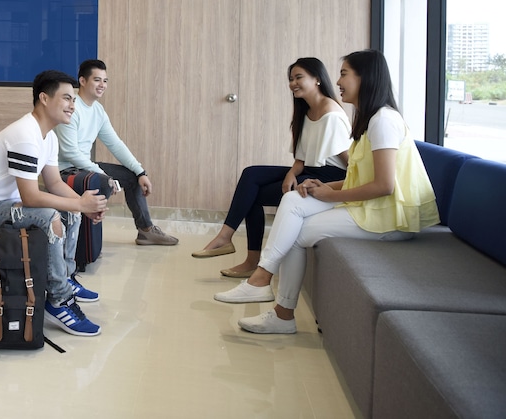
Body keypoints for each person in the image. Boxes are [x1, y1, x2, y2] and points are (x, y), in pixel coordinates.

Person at [213, 50, 439, 334]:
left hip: (392, 219)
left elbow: (384, 186)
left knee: (296, 230)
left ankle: (271, 295)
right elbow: (359, 177)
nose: (339, 81)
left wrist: (331, 195)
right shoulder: (370, 120)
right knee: (294, 199)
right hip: (376, 209)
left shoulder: (384, 120)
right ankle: (269, 292)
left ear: (365, 77)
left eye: (344, 74)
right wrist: (324, 186)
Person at [0, 70, 109, 337]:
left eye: (73, 100)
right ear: (44, 98)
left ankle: (66, 279)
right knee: (50, 216)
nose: (72, 106)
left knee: (71, 212)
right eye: (66, 98)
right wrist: (80, 204)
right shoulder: (25, 134)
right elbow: (30, 197)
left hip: (8, 202)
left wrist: (82, 205)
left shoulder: (49, 136)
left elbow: (54, 183)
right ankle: (59, 300)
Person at [192, 58, 351, 277]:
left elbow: (350, 163)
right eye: (291, 79)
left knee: (253, 196)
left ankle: (249, 260)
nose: (293, 83)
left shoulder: (331, 113)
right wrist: (291, 174)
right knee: (251, 174)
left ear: (317, 79)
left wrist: (338, 189)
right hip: (310, 170)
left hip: (330, 176)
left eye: (299, 77)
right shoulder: (306, 112)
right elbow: (301, 159)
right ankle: (225, 237)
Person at [55, 59, 179, 245]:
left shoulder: (98, 111)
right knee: (102, 181)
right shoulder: (72, 108)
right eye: (97, 80)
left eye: (105, 81)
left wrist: (140, 172)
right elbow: (70, 153)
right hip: (64, 170)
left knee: (132, 177)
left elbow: (115, 144)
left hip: (84, 168)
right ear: (82, 81)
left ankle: (146, 230)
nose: (102, 85)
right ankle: (87, 242)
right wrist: (103, 175)